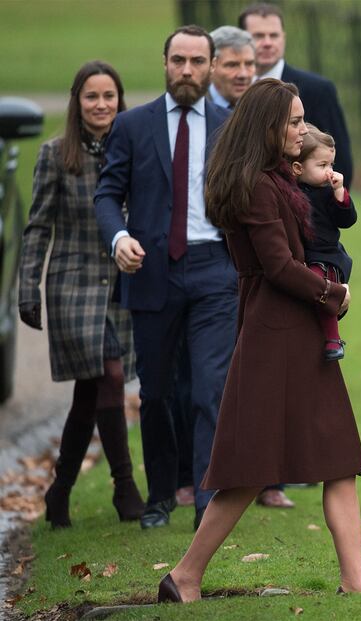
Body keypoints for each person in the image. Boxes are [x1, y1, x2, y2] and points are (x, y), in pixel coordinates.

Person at [157, 79, 361, 603]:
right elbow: (276, 266)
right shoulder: (256, 184)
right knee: (251, 469)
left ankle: (356, 585)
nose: (302, 129)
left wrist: (327, 288)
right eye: (294, 122)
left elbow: (319, 235)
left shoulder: (279, 179)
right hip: (276, 336)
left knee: (339, 459)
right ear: (268, 127)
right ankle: (184, 576)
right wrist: (331, 293)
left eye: (301, 121)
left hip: (301, 332)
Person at [94, 26, 238, 532]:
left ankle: (207, 501)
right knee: (155, 392)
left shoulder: (229, 126)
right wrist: (118, 239)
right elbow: (107, 194)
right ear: (164, 63)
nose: (187, 70)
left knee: (208, 390)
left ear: (213, 66)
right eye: (178, 60)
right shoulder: (133, 125)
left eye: (198, 61)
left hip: (215, 271)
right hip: (151, 270)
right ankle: (159, 497)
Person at [18, 61, 144, 529]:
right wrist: (28, 287)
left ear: (119, 100)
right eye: (91, 96)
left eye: (109, 96)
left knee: (90, 391)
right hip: (71, 283)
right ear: (77, 102)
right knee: (109, 374)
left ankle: (60, 491)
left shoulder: (132, 149)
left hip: (118, 281)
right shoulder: (54, 154)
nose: (101, 105)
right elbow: (37, 226)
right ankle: (125, 486)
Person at [238, 2, 353, 188]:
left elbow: (340, 162)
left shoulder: (318, 90)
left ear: (283, 38)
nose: (267, 42)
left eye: (273, 35)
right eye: (258, 36)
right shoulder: (234, 87)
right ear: (242, 40)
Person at [291, 123, 357, 361]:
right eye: (322, 165)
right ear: (298, 168)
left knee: (322, 286)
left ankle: (332, 339)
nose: (330, 171)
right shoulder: (290, 192)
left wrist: (340, 194)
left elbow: (347, 220)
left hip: (326, 255)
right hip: (305, 253)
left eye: (331, 164)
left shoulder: (328, 192)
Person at [208, 25, 256, 109]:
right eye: (232, 65)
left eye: (249, 64)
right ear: (211, 66)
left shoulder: (265, 108)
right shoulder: (195, 106)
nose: (243, 75)